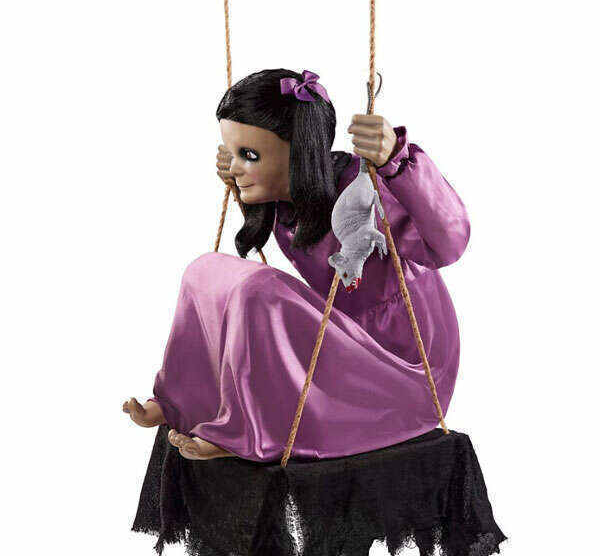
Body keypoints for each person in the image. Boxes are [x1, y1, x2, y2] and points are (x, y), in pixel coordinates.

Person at [122, 68, 470, 463]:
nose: (234, 167)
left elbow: (449, 243)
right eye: (232, 153)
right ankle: (181, 401)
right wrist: (241, 175)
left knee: (259, 293)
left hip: (406, 372)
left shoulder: (362, 193)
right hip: (350, 348)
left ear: (299, 154)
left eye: (249, 156)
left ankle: (242, 433)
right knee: (204, 272)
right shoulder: (288, 205)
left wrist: (398, 162)